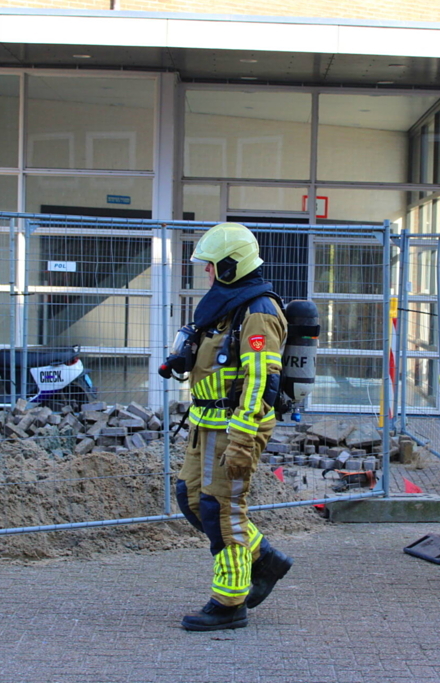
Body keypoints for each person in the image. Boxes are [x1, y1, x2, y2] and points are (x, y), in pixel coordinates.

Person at [169, 222, 293, 631]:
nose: (206, 274)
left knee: (220, 510)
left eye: (210, 267)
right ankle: (265, 559)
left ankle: (230, 602)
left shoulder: (258, 312)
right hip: (205, 422)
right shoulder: (227, 304)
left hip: (235, 427)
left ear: (229, 266)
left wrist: (242, 440)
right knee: (189, 498)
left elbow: (261, 382)